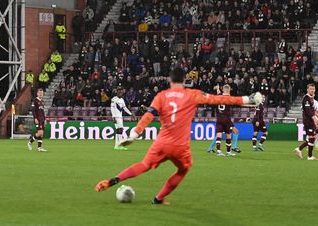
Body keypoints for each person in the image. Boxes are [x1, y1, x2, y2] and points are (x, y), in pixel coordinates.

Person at [94, 68, 262, 204]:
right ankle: (159, 198)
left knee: (144, 165)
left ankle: (113, 180)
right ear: (185, 80)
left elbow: (148, 116)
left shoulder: (161, 96)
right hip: (180, 147)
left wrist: (134, 133)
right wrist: (248, 99)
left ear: (170, 80)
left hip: (161, 143)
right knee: (183, 169)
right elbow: (220, 100)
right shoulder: (193, 94)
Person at [294, 83, 318, 160]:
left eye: (313, 89)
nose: (312, 90)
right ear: (307, 89)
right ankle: (309, 156)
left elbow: (313, 110)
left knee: (313, 136)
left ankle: (299, 149)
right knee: (312, 136)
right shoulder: (306, 99)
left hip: (310, 120)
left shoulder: (310, 98)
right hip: (308, 121)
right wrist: (314, 118)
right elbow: (308, 110)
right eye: (311, 89)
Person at [213, 84, 237, 156]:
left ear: (223, 89)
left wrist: (217, 88)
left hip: (219, 118)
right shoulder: (229, 98)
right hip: (226, 119)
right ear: (228, 90)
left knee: (219, 135)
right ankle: (228, 152)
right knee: (228, 135)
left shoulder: (219, 96)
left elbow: (218, 93)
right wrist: (232, 126)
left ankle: (219, 152)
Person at [27, 88, 48, 152]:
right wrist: (35, 118)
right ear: (37, 94)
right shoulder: (35, 101)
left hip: (42, 119)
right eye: (40, 93)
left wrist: (45, 119)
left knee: (41, 134)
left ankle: (39, 148)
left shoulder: (42, 101)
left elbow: (42, 111)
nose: (41, 94)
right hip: (37, 119)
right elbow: (33, 111)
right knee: (40, 132)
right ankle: (30, 143)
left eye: (42, 93)